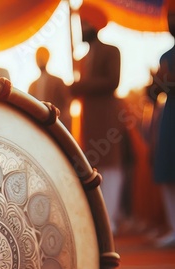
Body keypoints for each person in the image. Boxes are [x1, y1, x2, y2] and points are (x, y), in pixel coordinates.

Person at [70, 4, 126, 235]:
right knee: (94, 166)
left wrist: (80, 86)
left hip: (106, 117)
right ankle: (98, 219)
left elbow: (113, 81)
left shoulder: (111, 51)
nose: (81, 28)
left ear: (93, 25)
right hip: (88, 119)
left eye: (83, 23)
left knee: (110, 167)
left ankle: (109, 219)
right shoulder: (83, 58)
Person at [151, 10, 175, 247]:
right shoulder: (165, 56)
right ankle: (173, 226)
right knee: (167, 168)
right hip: (170, 116)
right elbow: (154, 93)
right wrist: (157, 82)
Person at [28, 46, 72, 130]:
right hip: (37, 126)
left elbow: (66, 104)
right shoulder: (32, 86)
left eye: (42, 56)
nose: (40, 59)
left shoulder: (58, 82)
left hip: (56, 125)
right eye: (38, 57)